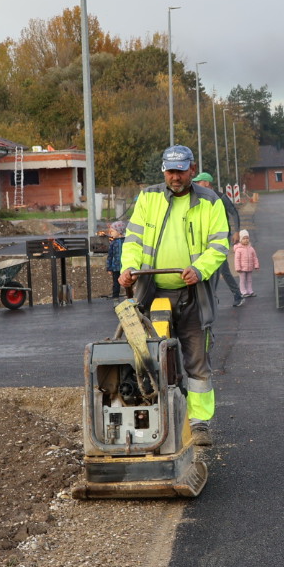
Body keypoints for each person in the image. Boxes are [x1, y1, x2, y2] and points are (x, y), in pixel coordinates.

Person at [119, 146, 230, 446]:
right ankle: (156, 418)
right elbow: (133, 239)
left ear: (192, 169)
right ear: (163, 171)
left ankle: (199, 423)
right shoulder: (148, 198)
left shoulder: (210, 201)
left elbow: (219, 245)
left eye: (180, 171)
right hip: (154, 293)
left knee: (197, 359)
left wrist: (200, 269)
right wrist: (128, 267)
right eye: (170, 171)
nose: (175, 177)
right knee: (151, 359)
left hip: (194, 295)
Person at [194, 171, 245, 308]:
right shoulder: (199, 197)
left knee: (218, 268)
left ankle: (216, 297)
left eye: (198, 182)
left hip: (222, 237)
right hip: (206, 237)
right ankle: (233, 295)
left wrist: (237, 231)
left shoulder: (220, 197)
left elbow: (234, 212)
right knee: (219, 268)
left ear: (206, 183)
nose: (196, 184)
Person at [231, 229, 260, 298]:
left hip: (249, 267)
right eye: (244, 238)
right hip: (242, 268)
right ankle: (243, 291)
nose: (246, 240)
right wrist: (238, 267)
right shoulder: (238, 249)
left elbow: (254, 257)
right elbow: (237, 259)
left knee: (249, 280)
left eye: (247, 238)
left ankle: (250, 291)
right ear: (240, 240)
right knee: (242, 280)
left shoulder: (251, 248)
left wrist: (256, 265)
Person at [105, 221, 125, 298]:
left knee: (127, 282)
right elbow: (110, 256)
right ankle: (115, 296)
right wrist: (109, 268)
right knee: (116, 283)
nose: (110, 233)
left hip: (125, 267)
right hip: (115, 267)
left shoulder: (126, 242)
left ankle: (130, 296)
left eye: (112, 231)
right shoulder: (112, 243)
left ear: (119, 232)